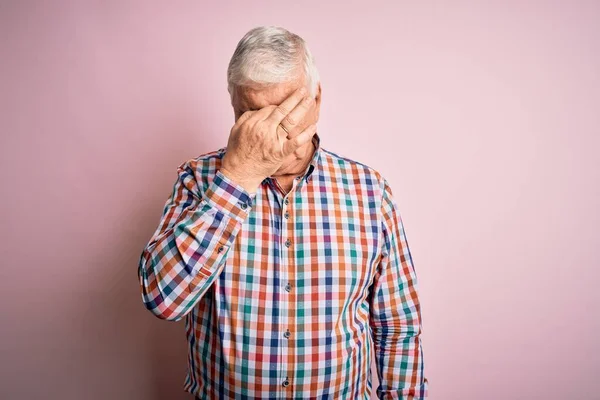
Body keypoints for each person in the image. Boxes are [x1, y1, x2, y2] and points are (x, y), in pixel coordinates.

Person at [138, 25, 428, 399]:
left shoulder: (370, 191)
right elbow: (164, 300)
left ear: (317, 98)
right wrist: (239, 176)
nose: (275, 136)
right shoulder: (198, 181)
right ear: (235, 110)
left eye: (287, 112)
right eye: (256, 117)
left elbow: (398, 327)